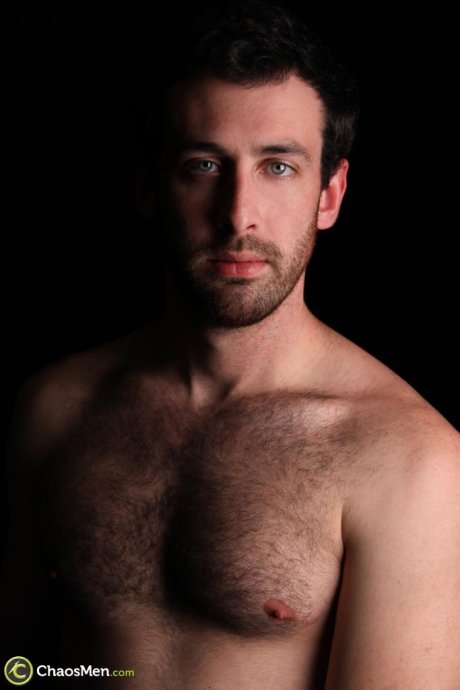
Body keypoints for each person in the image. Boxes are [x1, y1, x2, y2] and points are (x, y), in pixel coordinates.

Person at [2, 2, 459, 688]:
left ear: (330, 195)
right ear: (148, 184)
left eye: (279, 167)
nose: (238, 215)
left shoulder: (407, 457)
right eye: (204, 165)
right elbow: (24, 668)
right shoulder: (56, 409)